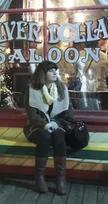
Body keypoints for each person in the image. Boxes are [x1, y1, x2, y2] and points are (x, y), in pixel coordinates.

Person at [24, 61, 74, 195]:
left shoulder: (62, 89)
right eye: (51, 71)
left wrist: (57, 124)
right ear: (43, 73)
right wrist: (45, 125)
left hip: (58, 125)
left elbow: (68, 114)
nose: (54, 73)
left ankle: (61, 179)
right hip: (36, 127)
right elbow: (32, 115)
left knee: (57, 135)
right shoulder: (32, 89)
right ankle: (40, 177)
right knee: (45, 136)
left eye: (55, 71)